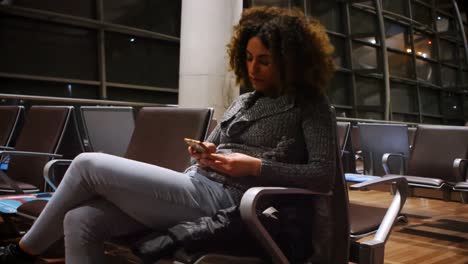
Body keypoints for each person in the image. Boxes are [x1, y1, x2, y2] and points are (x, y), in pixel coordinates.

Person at [0, 6, 336, 263]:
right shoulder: (245, 100)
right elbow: (216, 144)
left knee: (87, 163)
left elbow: (323, 176)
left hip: (232, 203)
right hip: (197, 184)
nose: (252, 68)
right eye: (248, 58)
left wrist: (253, 168)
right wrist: (205, 150)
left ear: (291, 62)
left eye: (264, 60)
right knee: (80, 219)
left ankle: (23, 252)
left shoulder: (310, 106)